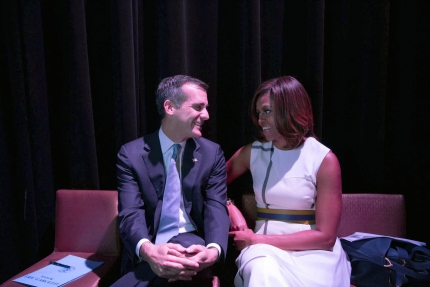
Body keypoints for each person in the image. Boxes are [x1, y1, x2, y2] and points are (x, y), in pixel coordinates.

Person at [226, 76, 351, 287]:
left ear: (289, 110)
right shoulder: (252, 153)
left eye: (266, 111)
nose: (259, 120)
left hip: (314, 255)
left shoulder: (323, 159)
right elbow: (209, 185)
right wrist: (230, 207)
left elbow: (326, 237)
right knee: (261, 270)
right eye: (258, 113)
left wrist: (256, 239)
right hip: (263, 253)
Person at [111, 75, 230, 286]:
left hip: (193, 244)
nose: (206, 115)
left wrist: (213, 251)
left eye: (206, 107)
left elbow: (216, 206)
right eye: (198, 107)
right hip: (148, 246)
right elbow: (130, 212)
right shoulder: (131, 155)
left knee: (181, 258)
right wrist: (149, 251)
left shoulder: (212, 154)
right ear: (170, 107)